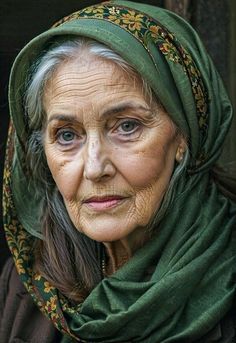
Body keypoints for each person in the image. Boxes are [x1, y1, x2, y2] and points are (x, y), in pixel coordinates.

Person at [1, 1, 236, 342]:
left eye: (127, 127)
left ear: (184, 135)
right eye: (67, 135)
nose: (95, 168)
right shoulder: (29, 285)